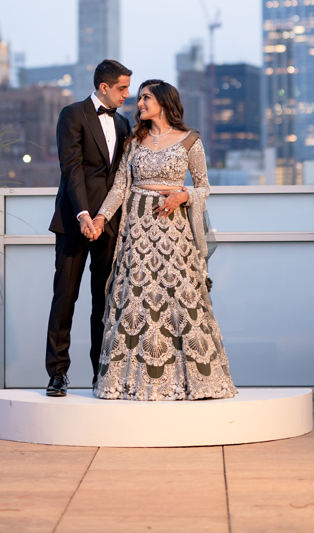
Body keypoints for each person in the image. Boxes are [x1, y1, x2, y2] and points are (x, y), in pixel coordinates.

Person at [89, 79, 237, 401]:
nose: (139, 103)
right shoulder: (133, 143)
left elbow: (204, 187)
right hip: (138, 229)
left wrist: (183, 195)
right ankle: (130, 383)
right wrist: (100, 217)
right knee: (136, 299)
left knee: (179, 299)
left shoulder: (189, 141)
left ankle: (191, 382)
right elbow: (120, 188)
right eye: (139, 98)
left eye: (145, 98)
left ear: (164, 102)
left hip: (174, 229)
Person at [45, 59, 132, 397]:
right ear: (104, 87)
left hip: (109, 226)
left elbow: (122, 179)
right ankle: (57, 373)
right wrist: (84, 215)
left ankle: (101, 375)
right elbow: (72, 169)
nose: (127, 94)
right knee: (65, 298)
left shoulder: (124, 124)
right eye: (122, 88)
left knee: (104, 302)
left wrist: (104, 218)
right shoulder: (72, 114)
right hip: (73, 222)